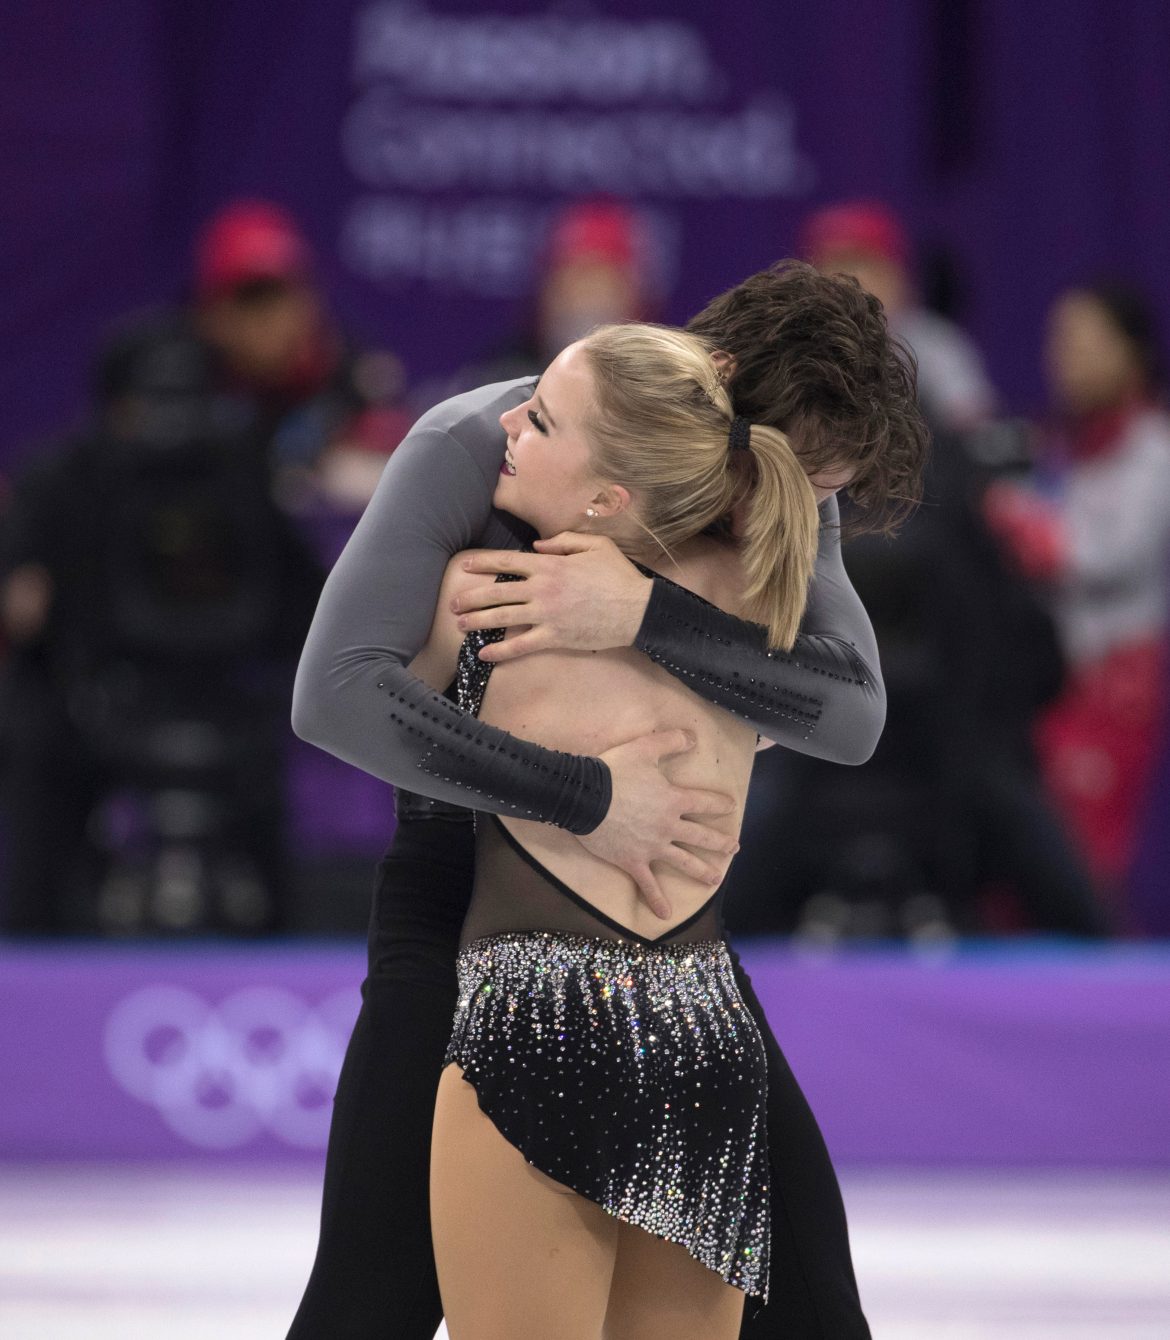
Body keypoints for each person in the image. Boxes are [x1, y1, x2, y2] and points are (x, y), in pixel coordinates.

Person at [287, 261, 927, 1339]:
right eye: (796, 466)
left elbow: (851, 714)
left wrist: (643, 612)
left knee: (815, 1298)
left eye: (818, 488)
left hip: (670, 947)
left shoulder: (780, 492)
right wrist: (584, 796)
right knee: (370, 1291)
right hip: (465, 902)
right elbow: (335, 694)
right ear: (721, 388)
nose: (789, 497)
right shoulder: (484, 442)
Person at [409, 323, 821, 1336]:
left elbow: (366, 722)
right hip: (709, 1041)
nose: (508, 423)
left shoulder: (489, 599)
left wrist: (438, 643)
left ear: (606, 498)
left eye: (541, 419)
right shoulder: (761, 607)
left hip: (537, 1029)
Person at [984, 279, 1170, 919]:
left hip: (1117, 684)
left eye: (1087, 340)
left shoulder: (1156, 454)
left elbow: (1098, 559)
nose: (1067, 358)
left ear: (1132, 353)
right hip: (1048, 682)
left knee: (1084, 869)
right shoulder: (1059, 448)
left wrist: (1007, 516)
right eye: (1060, 341)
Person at [802, 199, 997, 433]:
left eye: (864, 267)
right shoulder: (795, 345)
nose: (851, 282)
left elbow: (977, 433)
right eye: (837, 266)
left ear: (898, 277)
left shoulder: (936, 346)